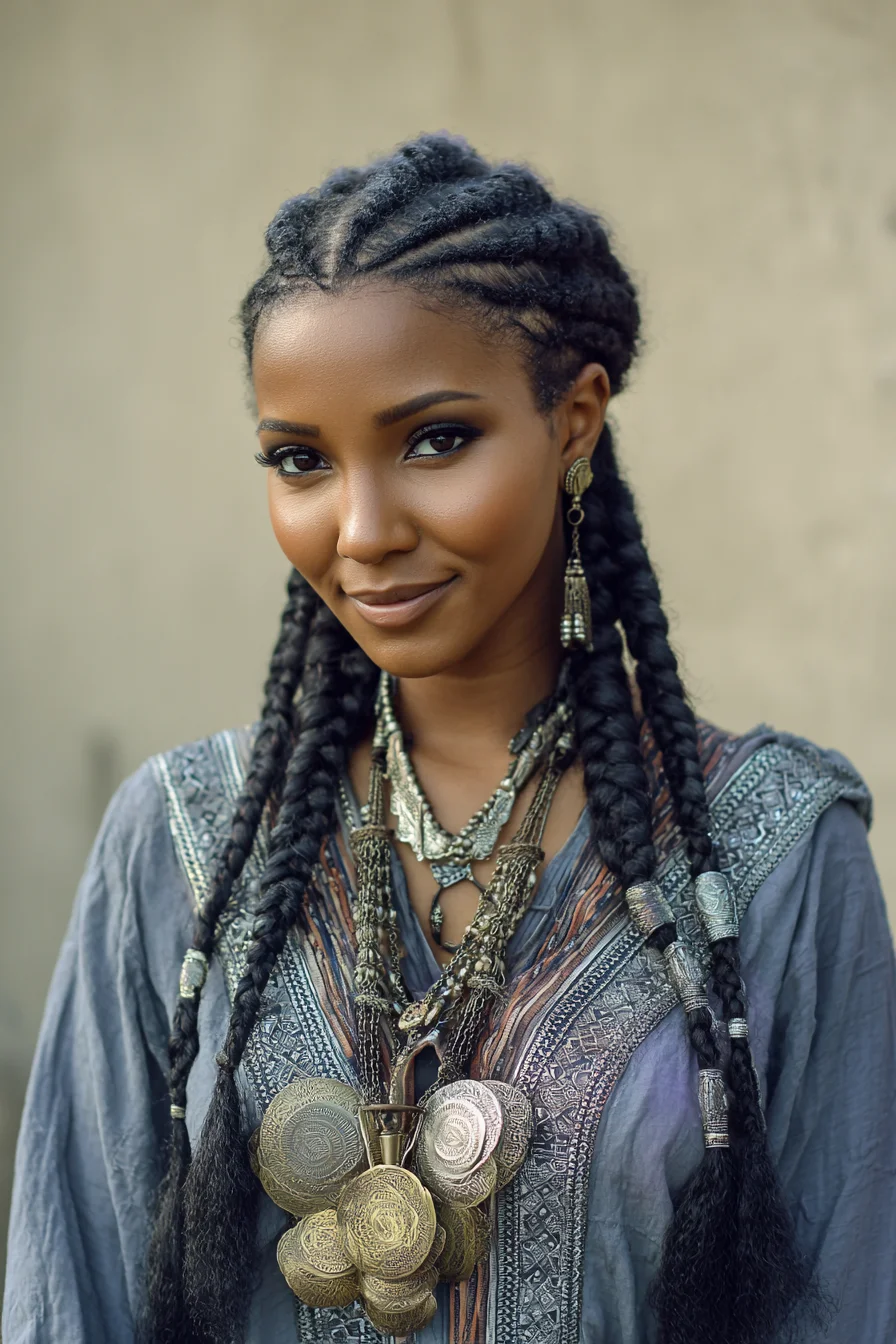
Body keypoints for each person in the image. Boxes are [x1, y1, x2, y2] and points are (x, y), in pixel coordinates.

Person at [3, 133, 895, 1344]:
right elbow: (70, 1295)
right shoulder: (183, 844)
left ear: (573, 420)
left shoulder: (769, 857)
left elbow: (846, 1296)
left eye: (432, 440)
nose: (361, 529)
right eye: (300, 460)